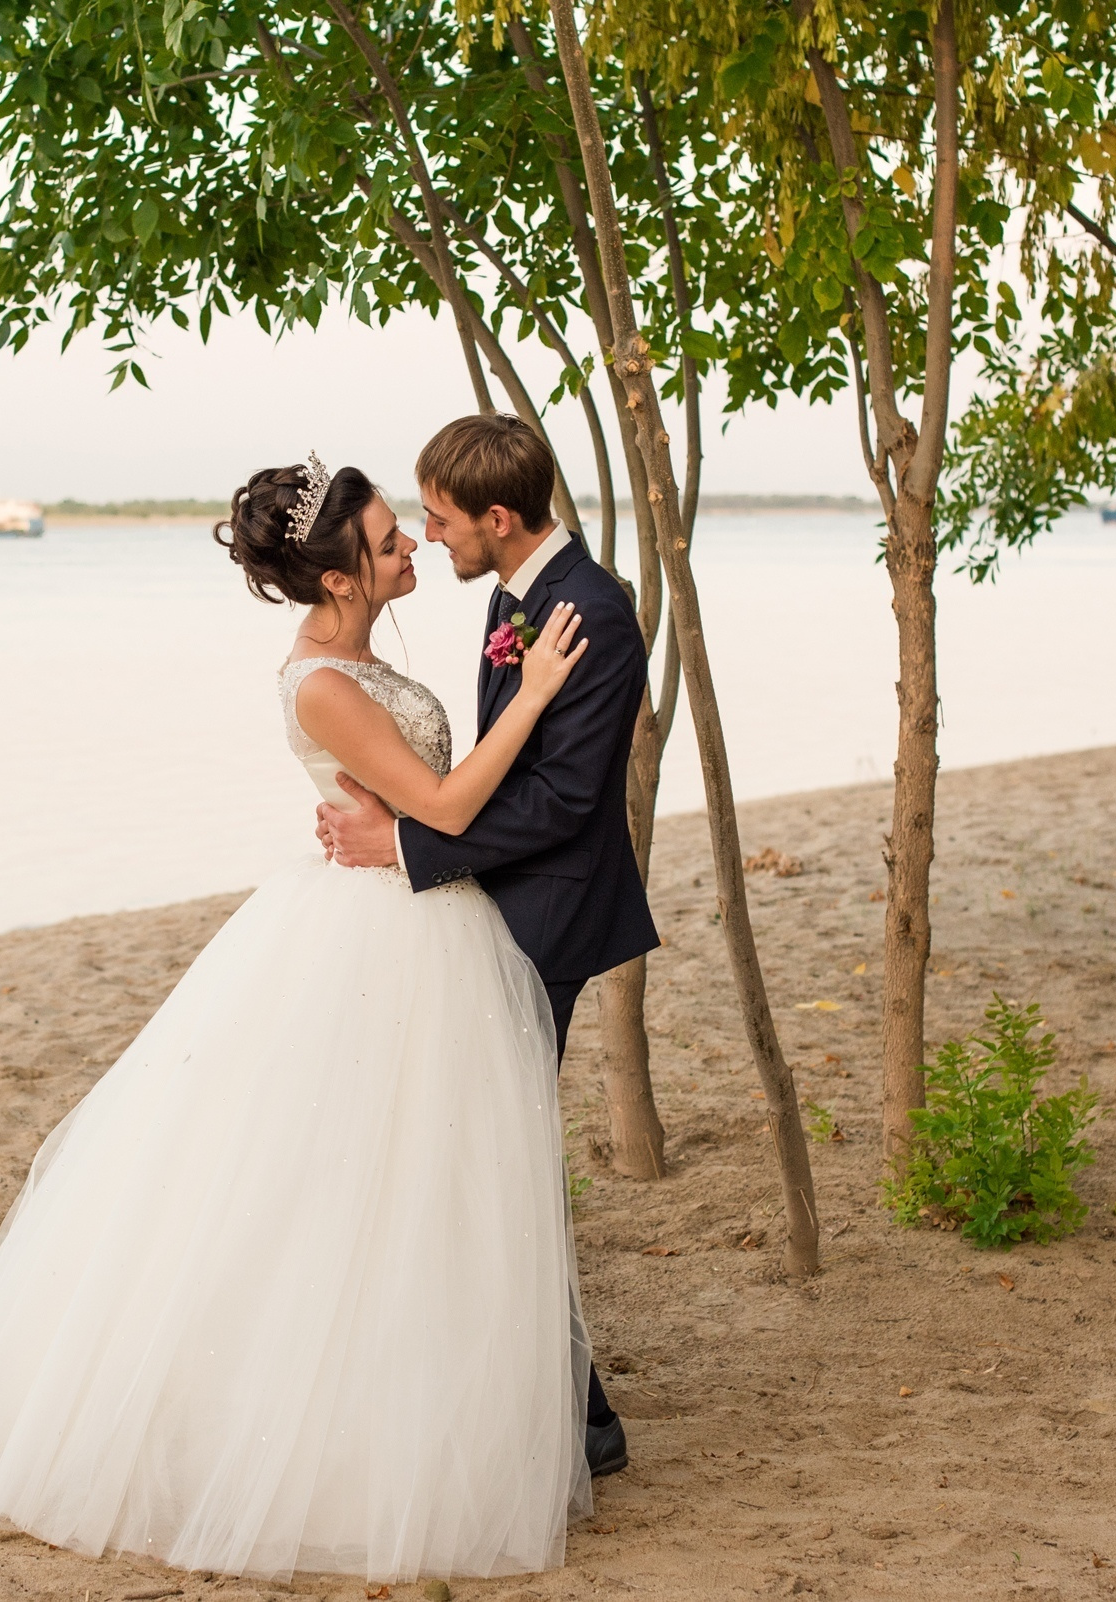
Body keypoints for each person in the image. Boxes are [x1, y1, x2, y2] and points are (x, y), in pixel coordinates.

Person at [0, 451, 595, 1584]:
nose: (410, 546)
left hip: (419, 920)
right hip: (381, 931)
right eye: (387, 541)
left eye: (404, 529)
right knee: (338, 1190)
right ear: (337, 579)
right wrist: (530, 698)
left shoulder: (358, 657)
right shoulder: (322, 683)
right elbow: (442, 804)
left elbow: (415, 806)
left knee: (416, 1188)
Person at [316, 412, 662, 1482]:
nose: (431, 535)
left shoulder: (592, 613)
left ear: (499, 518)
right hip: (492, 905)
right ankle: (566, 1408)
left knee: (493, 1169)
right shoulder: (516, 597)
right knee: (484, 1164)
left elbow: (563, 802)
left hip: (547, 921)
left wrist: (405, 846)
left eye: (440, 518)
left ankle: (580, 1420)